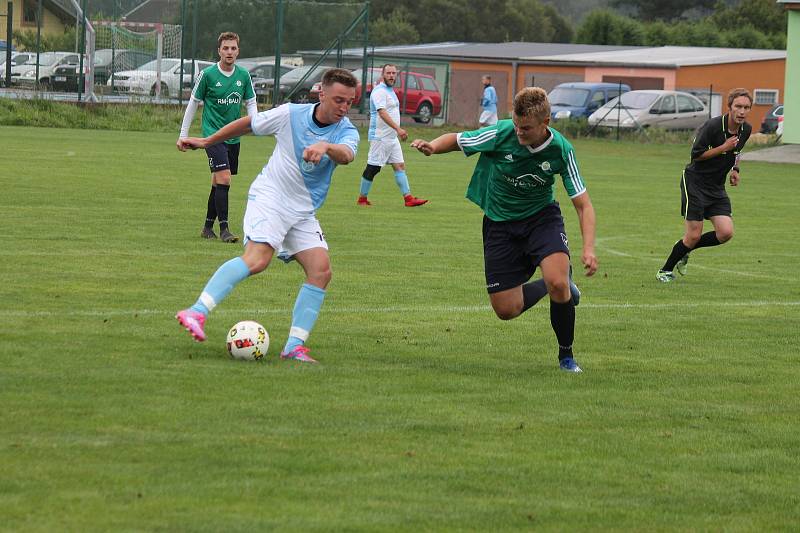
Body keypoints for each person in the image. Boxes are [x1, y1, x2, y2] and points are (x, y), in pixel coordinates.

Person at [175, 68, 360, 364]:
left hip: (302, 211)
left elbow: (347, 155)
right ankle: (196, 311)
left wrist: (325, 146)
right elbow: (250, 123)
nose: (344, 107)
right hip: (271, 199)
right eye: (339, 100)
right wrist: (208, 142)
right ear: (321, 93)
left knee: (321, 270)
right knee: (258, 260)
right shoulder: (291, 114)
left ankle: (294, 346)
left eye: (350, 102)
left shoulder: (346, 130)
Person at [411, 87, 597, 373]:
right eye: (516, 125)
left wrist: (588, 249)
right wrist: (433, 147)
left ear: (545, 123)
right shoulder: (502, 132)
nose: (519, 133)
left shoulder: (561, 149)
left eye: (526, 128)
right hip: (499, 224)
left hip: (541, 219)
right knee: (506, 309)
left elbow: (583, 204)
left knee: (556, 282)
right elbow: (459, 140)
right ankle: (557, 285)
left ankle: (566, 357)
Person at [656, 88, 753, 282]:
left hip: (716, 187)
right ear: (730, 107)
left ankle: (685, 247)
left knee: (726, 232)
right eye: (738, 106)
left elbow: (737, 151)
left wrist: (735, 170)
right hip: (695, 182)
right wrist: (722, 148)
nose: (742, 111)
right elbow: (696, 155)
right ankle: (665, 271)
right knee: (693, 234)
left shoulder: (746, 129)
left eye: (746, 107)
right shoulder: (713, 126)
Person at [178, 31, 257, 243]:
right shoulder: (208, 75)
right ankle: (225, 230)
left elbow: (250, 102)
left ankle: (206, 228)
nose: (229, 52)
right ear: (219, 51)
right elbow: (193, 102)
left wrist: (256, 123)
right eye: (225, 48)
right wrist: (183, 135)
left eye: (233, 48)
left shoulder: (243, 76)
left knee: (217, 182)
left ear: (238, 51)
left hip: (234, 136)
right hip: (212, 136)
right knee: (224, 178)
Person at [357, 63, 427, 207]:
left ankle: (408, 199)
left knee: (400, 166)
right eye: (388, 73)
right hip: (381, 137)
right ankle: (362, 199)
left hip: (391, 137)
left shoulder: (390, 90)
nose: (391, 76)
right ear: (383, 75)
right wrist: (398, 129)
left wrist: (396, 131)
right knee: (373, 168)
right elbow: (382, 112)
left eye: (394, 73)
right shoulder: (379, 91)